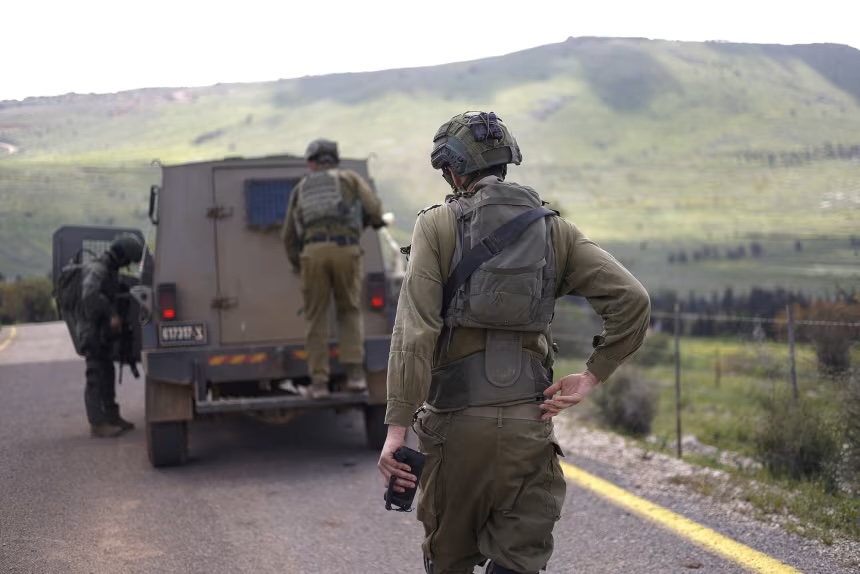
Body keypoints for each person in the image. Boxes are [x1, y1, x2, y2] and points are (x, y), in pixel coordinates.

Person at [377, 111, 651, 574]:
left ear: (454, 171)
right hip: (529, 426)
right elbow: (633, 300)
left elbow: (414, 331)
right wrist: (592, 376)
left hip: (456, 428)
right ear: (505, 162)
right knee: (519, 560)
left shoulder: (436, 226)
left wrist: (396, 431)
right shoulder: (553, 228)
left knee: (449, 560)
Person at [281, 138, 386, 399]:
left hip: (313, 253)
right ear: (335, 161)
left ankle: (318, 384)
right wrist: (371, 222)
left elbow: (288, 235)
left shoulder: (301, 188)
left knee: (315, 317)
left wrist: (298, 263)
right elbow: (373, 208)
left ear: (312, 163)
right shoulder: (350, 179)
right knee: (349, 310)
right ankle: (356, 377)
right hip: (346, 250)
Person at [79, 236, 144, 438]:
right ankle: (98, 424)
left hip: (102, 332)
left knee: (107, 373)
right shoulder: (98, 269)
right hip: (92, 331)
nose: (127, 264)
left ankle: (112, 416)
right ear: (122, 255)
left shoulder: (110, 270)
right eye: (128, 260)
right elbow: (89, 295)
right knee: (95, 375)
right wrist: (111, 313)